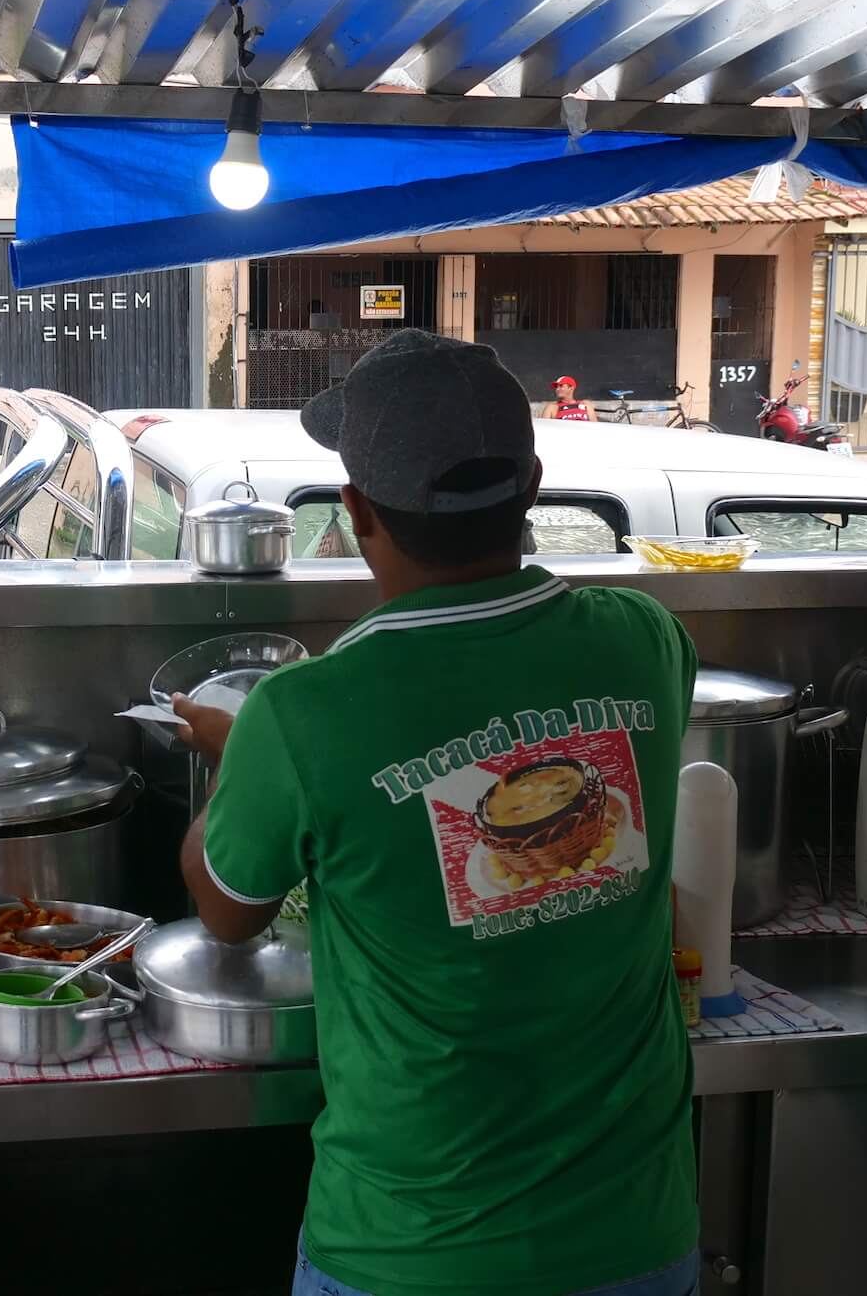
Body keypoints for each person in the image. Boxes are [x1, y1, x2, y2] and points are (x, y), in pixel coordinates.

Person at [172, 330, 701, 1296]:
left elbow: (228, 909)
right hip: (639, 1237)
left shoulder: (304, 714)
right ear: (533, 485)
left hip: (410, 1251)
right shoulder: (647, 642)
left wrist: (234, 763)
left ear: (357, 511)